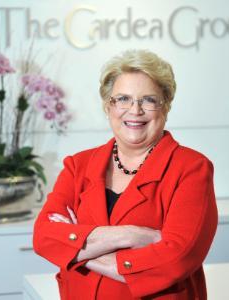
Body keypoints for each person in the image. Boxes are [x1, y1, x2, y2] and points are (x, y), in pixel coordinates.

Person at [33, 49, 218, 300]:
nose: (135, 110)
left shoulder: (191, 168)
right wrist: (131, 235)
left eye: (149, 100)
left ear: (165, 106)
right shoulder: (79, 165)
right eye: (123, 99)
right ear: (108, 106)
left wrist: (75, 251)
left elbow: (177, 259)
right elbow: (44, 236)